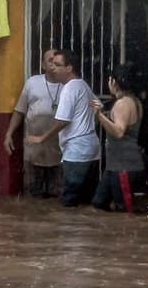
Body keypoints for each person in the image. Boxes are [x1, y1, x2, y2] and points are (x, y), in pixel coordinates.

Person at [26, 49, 99, 207]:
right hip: (91, 148)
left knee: (69, 201)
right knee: (86, 199)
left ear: (69, 68)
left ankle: (69, 231)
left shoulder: (69, 88)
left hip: (76, 151)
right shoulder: (83, 85)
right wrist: (86, 126)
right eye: (51, 64)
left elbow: (62, 121)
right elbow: (98, 107)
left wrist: (41, 138)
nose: (53, 68)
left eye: (58, 65)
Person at [3, 47, 62, 197]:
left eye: (57, 61)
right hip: (33, 152)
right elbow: (19, 111)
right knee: (32, 200)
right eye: (50, 61)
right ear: (43, 65)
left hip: (60, 154)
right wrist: (9, 134)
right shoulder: (32, 83)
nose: (54, 64)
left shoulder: (70, 85)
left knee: (57, 200)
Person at [90, 64, 145, 213]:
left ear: (114, 82)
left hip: (124, 166)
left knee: (124, 210)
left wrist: (99, 115)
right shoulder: (133, 100)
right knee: (99, 202)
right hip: (116, 166)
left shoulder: (123, 104)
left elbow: (119, 132)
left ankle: (124, 235)